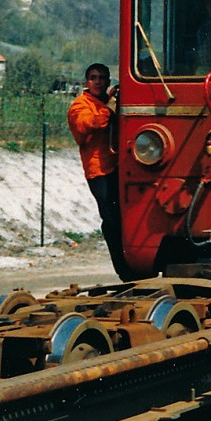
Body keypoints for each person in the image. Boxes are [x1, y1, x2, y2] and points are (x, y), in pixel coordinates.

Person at [67, 63, 135, 281]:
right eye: (93, 78)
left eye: (102, 78)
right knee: (111, 219)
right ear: (86, 81)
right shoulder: (80, 106)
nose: (98, 82)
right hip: (99, 172)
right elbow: (87, 124)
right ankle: (124, 270)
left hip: (117, 167)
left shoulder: (105, 101)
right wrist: (109, 109)